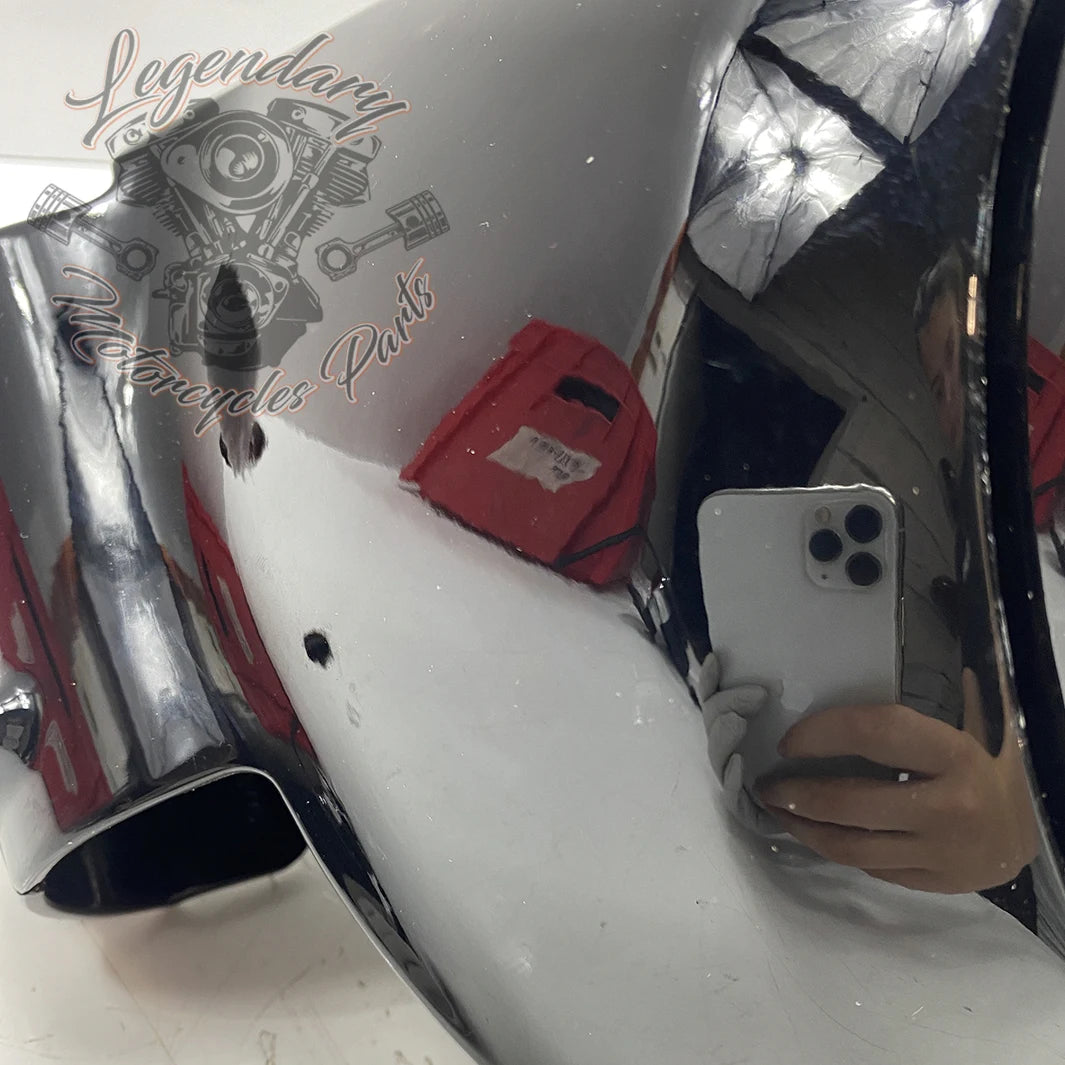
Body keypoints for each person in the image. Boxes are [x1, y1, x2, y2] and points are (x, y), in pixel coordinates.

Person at [699, 245, 1043, 903]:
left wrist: (1037, 834)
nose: (953, 401)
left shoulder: (1031, 512)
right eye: (937, 384)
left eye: (965, 365)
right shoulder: (949, 496)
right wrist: (791, 806)